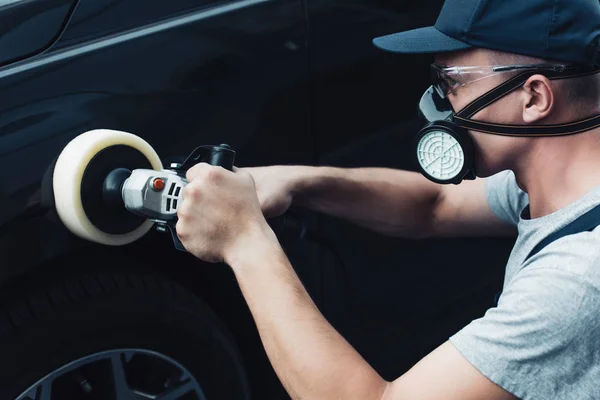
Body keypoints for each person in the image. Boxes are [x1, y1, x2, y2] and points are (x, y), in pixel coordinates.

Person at [175, 0, 600, 398]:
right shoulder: (563, 181)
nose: (439, 101)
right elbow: (435, 205)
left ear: (534, 98)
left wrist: (244, 240)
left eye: (451, 81)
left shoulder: (575, 280)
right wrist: (296, 181)